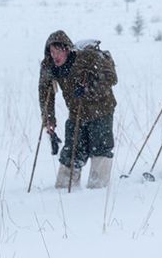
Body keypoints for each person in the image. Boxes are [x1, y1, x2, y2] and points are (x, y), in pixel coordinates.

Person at [38, 31, 118, 189]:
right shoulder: (49, 67)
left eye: (58, 51)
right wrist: (49, 119)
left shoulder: (88, 58)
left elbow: (111, 78)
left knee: (100, 148)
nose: (55, 56)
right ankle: (64, 188)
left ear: (67, 49)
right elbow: (45, 93)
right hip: (76, 113)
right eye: (52, 52)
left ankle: (98, 189)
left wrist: (89, 87)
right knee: (72, 150)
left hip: (101, 108)